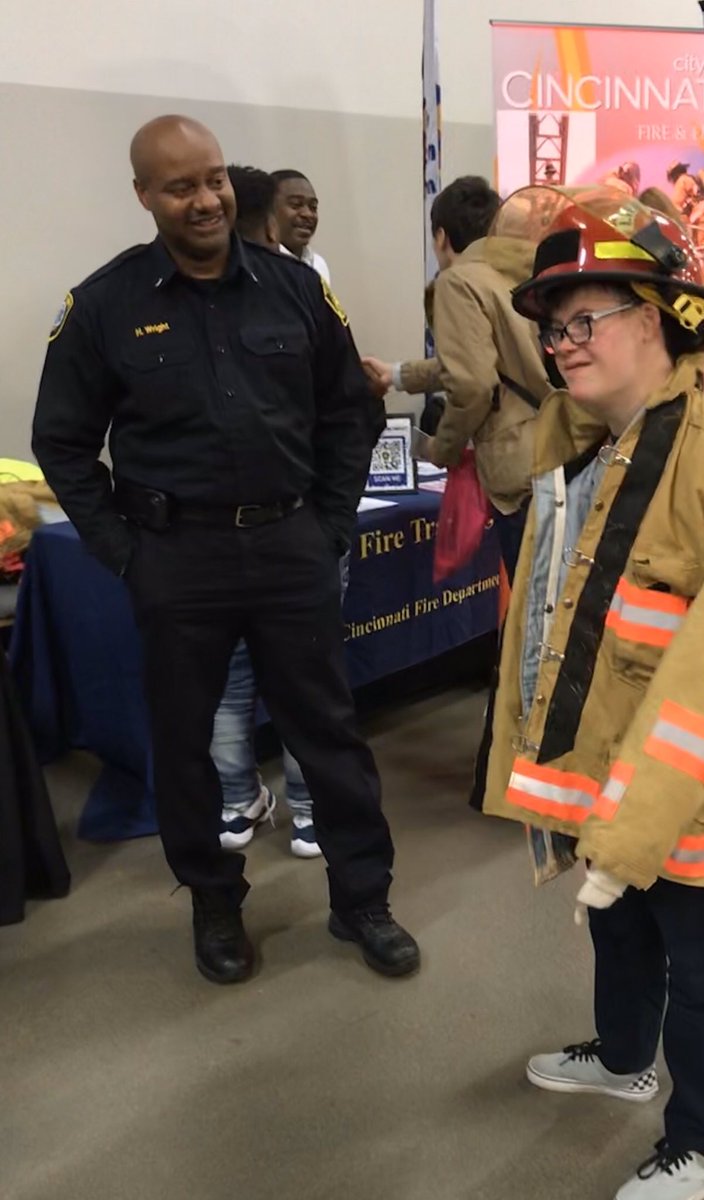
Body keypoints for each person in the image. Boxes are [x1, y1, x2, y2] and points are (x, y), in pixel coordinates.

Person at [480, 186, 704, 1199]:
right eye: (552, 329)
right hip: (620, 773)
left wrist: (642, 811)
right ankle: (621, 1056)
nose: (561, 344)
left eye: (584, 320)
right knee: (620, 925)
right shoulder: (587, 451)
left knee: (701, 953)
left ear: (652, 319)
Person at [32, 115, 418, 985]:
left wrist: (327, 524)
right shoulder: (105, 306)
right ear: (144, 196)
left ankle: (362, 901)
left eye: (213, 180)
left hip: (291, 547)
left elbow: (346, 415)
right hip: (176, 560)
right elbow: (60, 441)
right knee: (188, 748)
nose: (205, 199)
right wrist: (124, 551)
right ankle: (214, 903)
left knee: (330, 734)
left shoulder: (296, 290)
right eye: (180, 186)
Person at [210, 164, 337, 860]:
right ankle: (298, 810)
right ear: (263, 220)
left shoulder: (306, 284)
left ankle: (245, 804)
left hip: (277, 530)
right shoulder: (296, 292)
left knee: (248, 679)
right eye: (296, 205)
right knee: (297, 677)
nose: (307, 216)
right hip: (282, 529)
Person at [362, 175, 555, 581]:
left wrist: (443, 450)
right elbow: (488, 361)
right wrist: (398, 375)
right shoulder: (519, 274)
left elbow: (473, 385)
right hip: (555, 448)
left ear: (441, 236)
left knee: (533, 608)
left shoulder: (458, 282)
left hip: (514, 466)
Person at [271, 169, 330, 283]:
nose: (308, 214)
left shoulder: (318, 264)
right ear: (269, 211)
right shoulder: (261, 267)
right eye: (296, 204)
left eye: (313, 207)